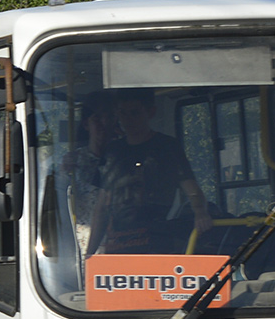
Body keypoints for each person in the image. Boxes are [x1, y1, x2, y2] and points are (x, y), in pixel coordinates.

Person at [86, 88, 213, 255]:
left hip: (155, 240)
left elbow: (192, 190)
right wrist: (89, 254)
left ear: (150, 112)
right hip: (118, 243)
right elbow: (102, 206)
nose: (127, 120)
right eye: (122, 113)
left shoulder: (167, 147)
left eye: (134, 113)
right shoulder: (112, 152)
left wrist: (200, 214)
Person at [64, 92, 116, 265]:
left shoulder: (123, 158)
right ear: (86, 124)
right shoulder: (73, 162)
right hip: (82, 244)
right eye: (97, 118)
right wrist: (62, 174)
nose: (103, 124)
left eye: (108, 118)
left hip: (119, 243)